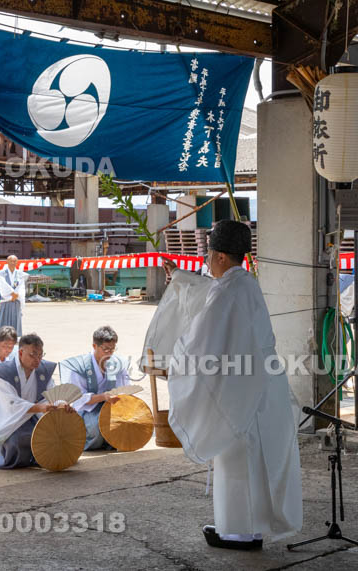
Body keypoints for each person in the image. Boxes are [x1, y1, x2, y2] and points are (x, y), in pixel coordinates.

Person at [161, 220, 302, 550]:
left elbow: (202, 339)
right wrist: (179, 277)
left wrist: (178, 361)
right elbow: (206, 293)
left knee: (238, 459)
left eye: (209, 254)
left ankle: (238, 533)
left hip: (242, 389)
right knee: (258, 461)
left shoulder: (228, 291)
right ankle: (250, 528)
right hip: (265, 385)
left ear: (221, 256)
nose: (207, 261)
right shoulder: (245, 283)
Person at [0, 333, 59, 469]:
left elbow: (52, 394)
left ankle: (40, 459)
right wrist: (39, 408)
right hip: (10, 420)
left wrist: (61, 404)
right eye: (33, 355)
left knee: (53, 435)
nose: (37, 360)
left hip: (34, 416)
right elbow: (9, 404)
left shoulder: (43, 370)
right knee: (18, 439)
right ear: (21, 352)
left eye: (40, 355)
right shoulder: (5, 373)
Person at [59, 326, 128, 451]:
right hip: (87, 409)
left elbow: (123, 387)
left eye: (112, 349)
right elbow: (77, 398)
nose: (109, 353)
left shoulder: (116, 363)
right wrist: (103, 397)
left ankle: (111, 441)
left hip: (111, 404)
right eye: (106, 349)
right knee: (96, 427)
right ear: (94, 346)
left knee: (127, 421)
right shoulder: (79, 367)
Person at [0, 255, 27, 336]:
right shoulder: (2, 273)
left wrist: (16, 295)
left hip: (16, 300)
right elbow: (2, 284)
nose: (13, 263)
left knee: (16, 317)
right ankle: (2, 336)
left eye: (14, 261)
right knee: (4, 316)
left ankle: (15, 336)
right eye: (11, 261)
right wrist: (12, 293)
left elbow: (21, 286)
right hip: (6, 300)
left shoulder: (20, 274)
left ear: (17, 262)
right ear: (7, 262)